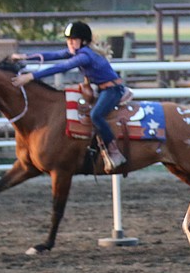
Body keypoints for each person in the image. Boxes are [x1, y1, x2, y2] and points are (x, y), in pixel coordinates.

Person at [12, 21, 127, 172]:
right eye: (68, 40)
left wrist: (31, 77)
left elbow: (62, 66)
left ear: (83, 41)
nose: (70, 43)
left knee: (96, 116)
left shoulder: (85, 56)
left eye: (73, 39)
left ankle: (114, 152)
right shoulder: (78, 52)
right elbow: (53, 55)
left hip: (112, 90)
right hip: (102, 89)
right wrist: (25, 57)